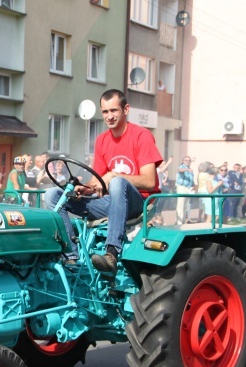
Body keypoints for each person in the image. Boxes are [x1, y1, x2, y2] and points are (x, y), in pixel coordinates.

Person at [45, 89, 162, 273]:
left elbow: (149, 182)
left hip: (137, 202)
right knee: (52, 195)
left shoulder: (141, 136)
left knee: (117, 183)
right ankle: (71, 257)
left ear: (126, 109)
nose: (109, 116)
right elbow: (97, 181)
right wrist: (85, 189)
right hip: (109, 202)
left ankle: (112, 253)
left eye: (114, 110)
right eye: (105, 112)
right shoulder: (101, 140)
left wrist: (115, 176)